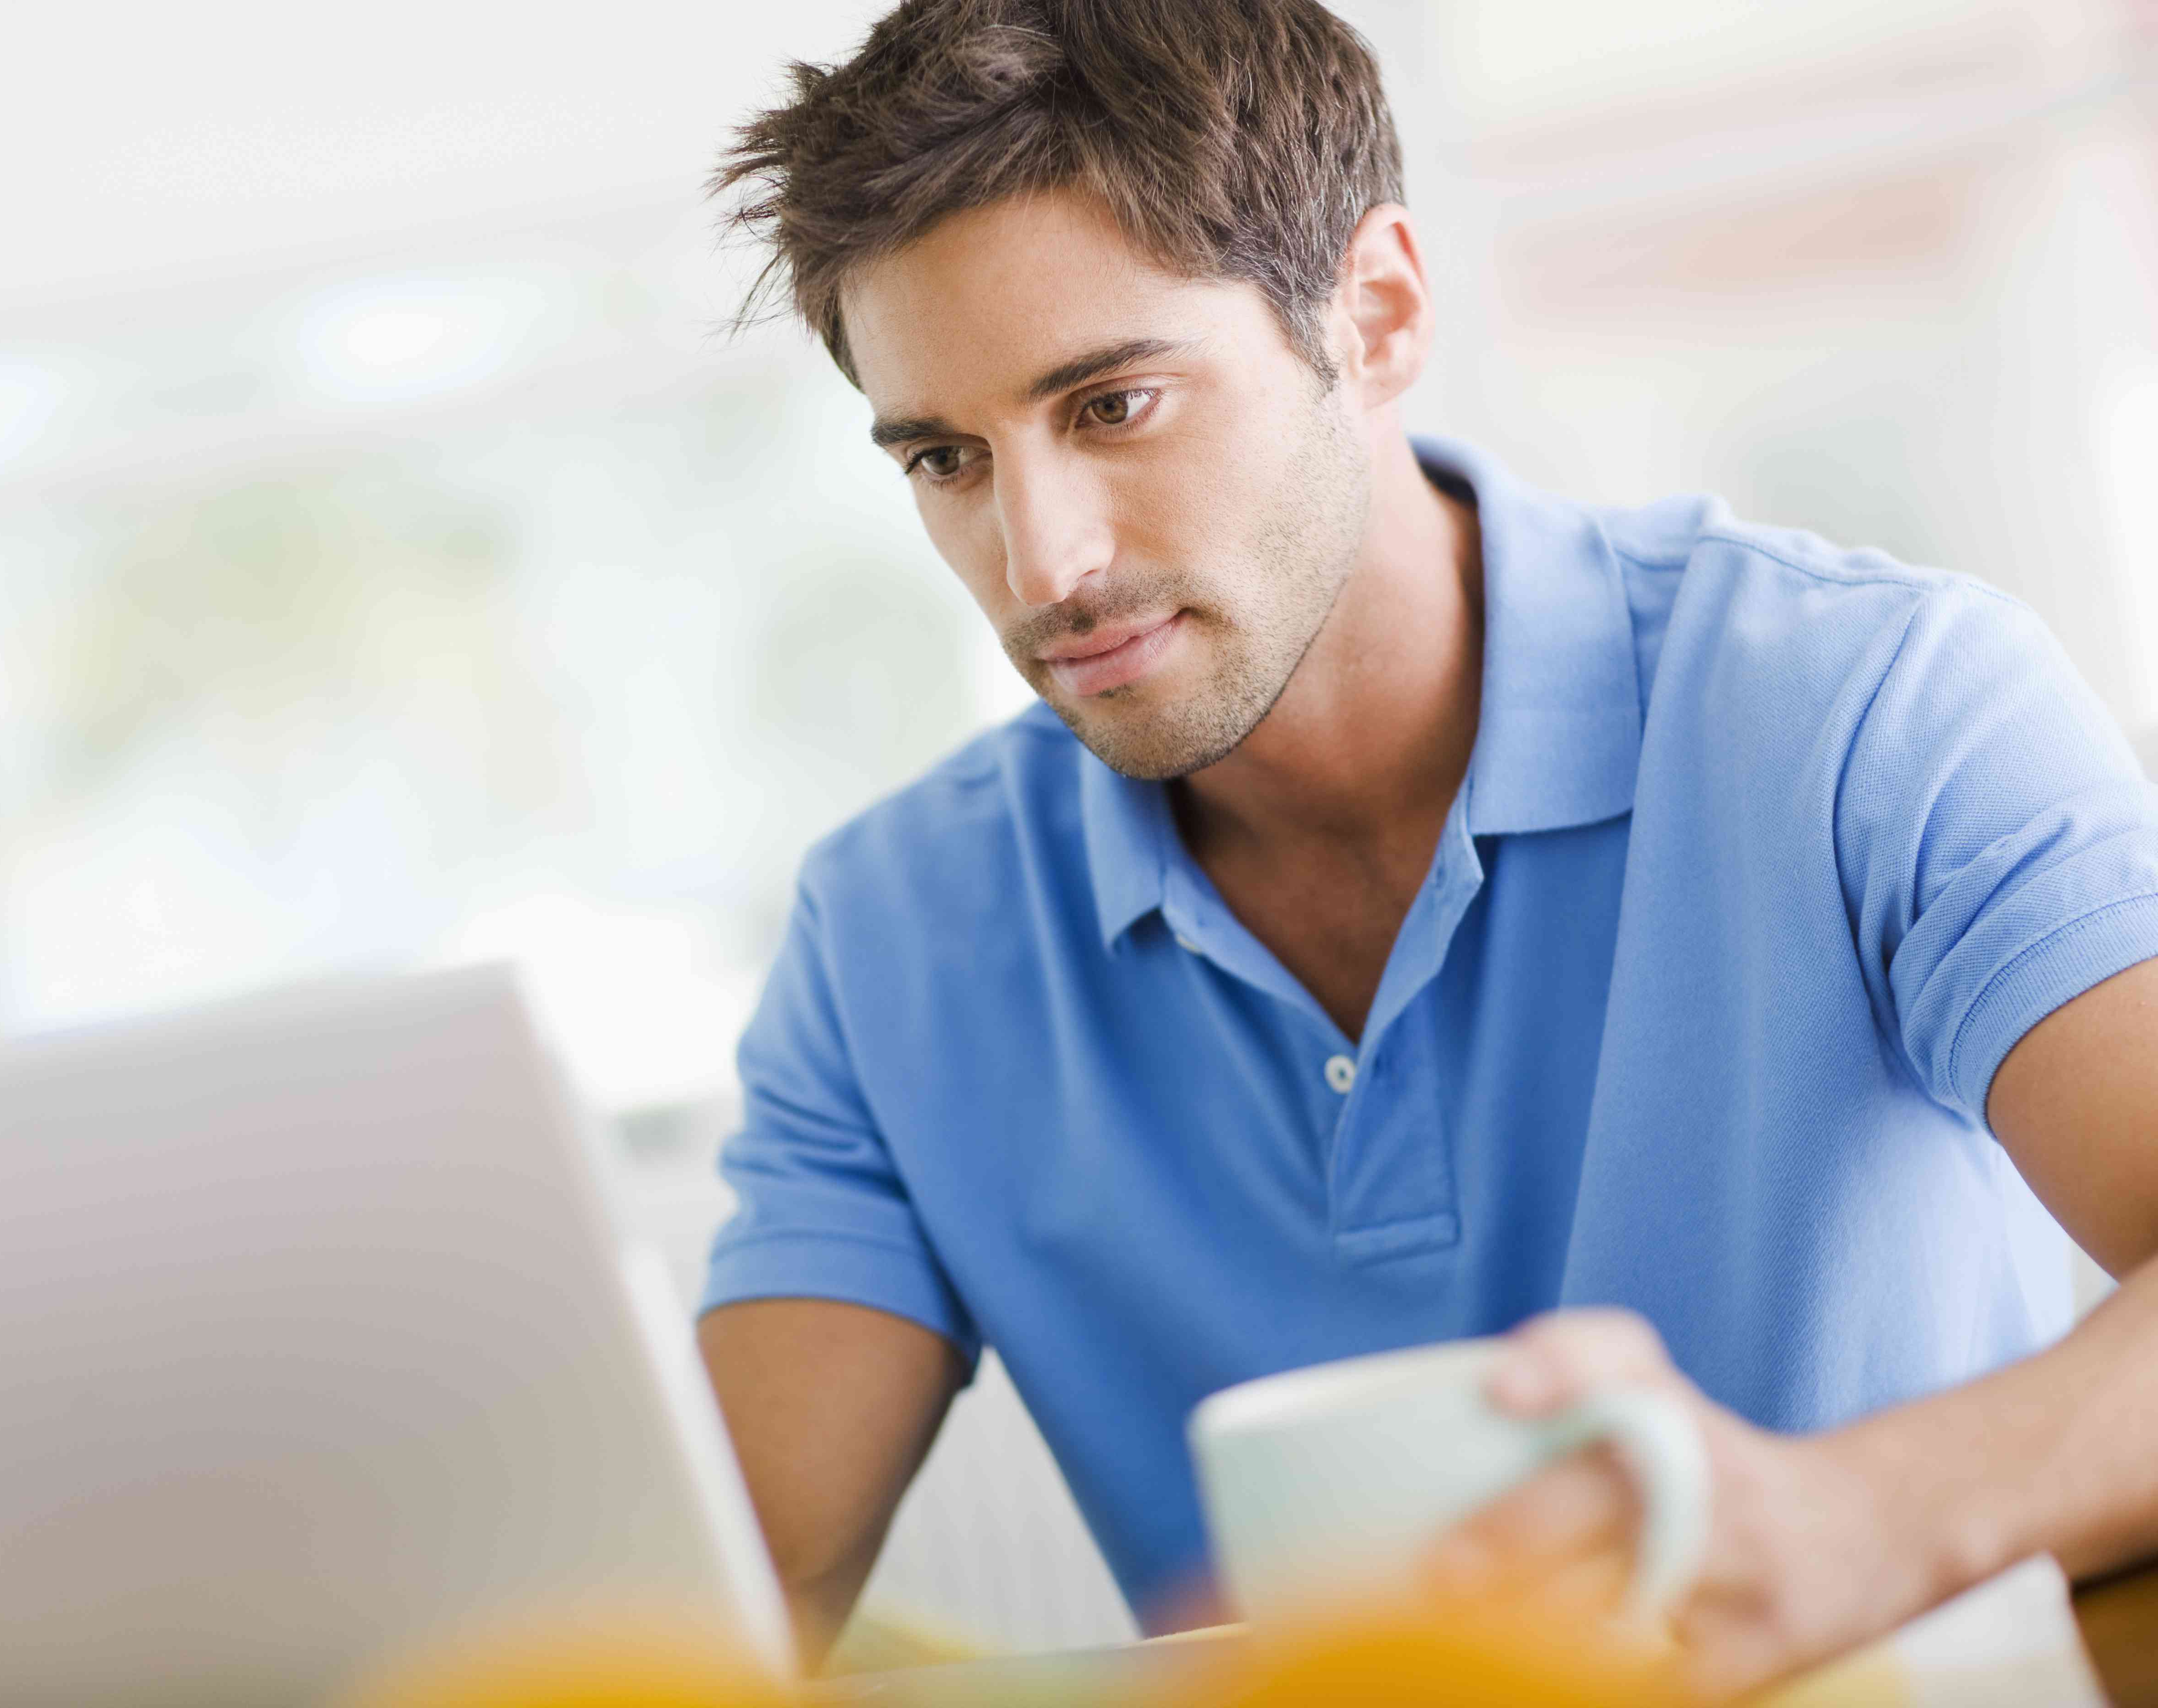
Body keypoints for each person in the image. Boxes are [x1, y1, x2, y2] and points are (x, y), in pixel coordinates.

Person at [689, 1, 2158, 1695]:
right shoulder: (891, 930)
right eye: (946, 459)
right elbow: (723, 1584)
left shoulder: (1870, 706)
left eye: (1114, 405)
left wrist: (1863, 1520)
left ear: (1374, 314)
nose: (1040, 564)